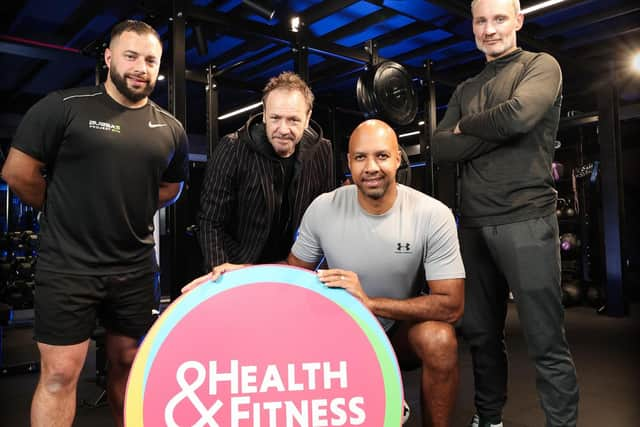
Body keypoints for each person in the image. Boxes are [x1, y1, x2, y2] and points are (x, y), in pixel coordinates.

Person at [185, 119, 465, 427]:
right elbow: (293, 271)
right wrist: (241, 273)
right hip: (341, 331)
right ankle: (368, 397)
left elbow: (450, 305)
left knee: (439, 339)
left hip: (398, 331)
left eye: (382, 156)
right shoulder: (323, 208)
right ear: (349, 162)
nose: (371, 166)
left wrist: (371, 304)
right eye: (360, 157)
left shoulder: (432, 214)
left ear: (398, 158)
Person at [1, 20, 189, 427]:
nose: (141, 67)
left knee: (129, 365)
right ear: (108, 58)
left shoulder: (170, 129)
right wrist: (64, 211)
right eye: (131, 56)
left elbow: (171, 188)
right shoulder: (64, 107)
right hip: (68, 266)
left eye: (151, 60)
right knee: (60, 374)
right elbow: (18, 173)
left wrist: (127, 204)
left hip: (135, 269)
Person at [431, 0, 579, 426]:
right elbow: (442, 147)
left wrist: (467, 127)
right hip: (474, 224)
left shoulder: (541, 66)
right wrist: (496, 127)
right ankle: (489, 417)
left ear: (518, 19)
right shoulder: (466, 88)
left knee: (546, 340)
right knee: (480, 335)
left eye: (499, 19)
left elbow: (519, 116)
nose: (489, 29)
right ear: (473, 26)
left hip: (527, 219)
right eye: (481, 21)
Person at [197, 71, 334, 269]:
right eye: (275, 118)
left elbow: (324, 219)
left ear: (307, 117)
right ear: (264, 114)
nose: (283, 129)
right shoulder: (232, 147)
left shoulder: (322, 150)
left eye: (293, 120)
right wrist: (222, 272)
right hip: (238, 266)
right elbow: (210, 220)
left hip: (295, 268)